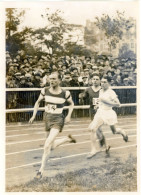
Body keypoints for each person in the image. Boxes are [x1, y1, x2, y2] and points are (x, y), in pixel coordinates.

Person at [29, 71, 76, 179]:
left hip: (58, 120)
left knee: (47, 144)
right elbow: (37, 102)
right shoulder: (44, 90)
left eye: (54, 79)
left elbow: (71, 104)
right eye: (50, 79)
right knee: (51, 146)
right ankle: (67, 139)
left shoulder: (65, 93)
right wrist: (33, 115)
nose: (52, 81)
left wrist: (69, 115)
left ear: (59, 80)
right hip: (47, 118)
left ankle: (41, 170)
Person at [88, 75, 128, 158]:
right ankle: (93, 149)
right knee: (92, 129)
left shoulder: (111, 92)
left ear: (109, 83)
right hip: (100, 113)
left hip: (109, 113)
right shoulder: (100, 91)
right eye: (102, 82)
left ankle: (123, 132)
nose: (102, 84)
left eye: (104, 82)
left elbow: (118, 104)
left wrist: (106, 101)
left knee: (114, 131)